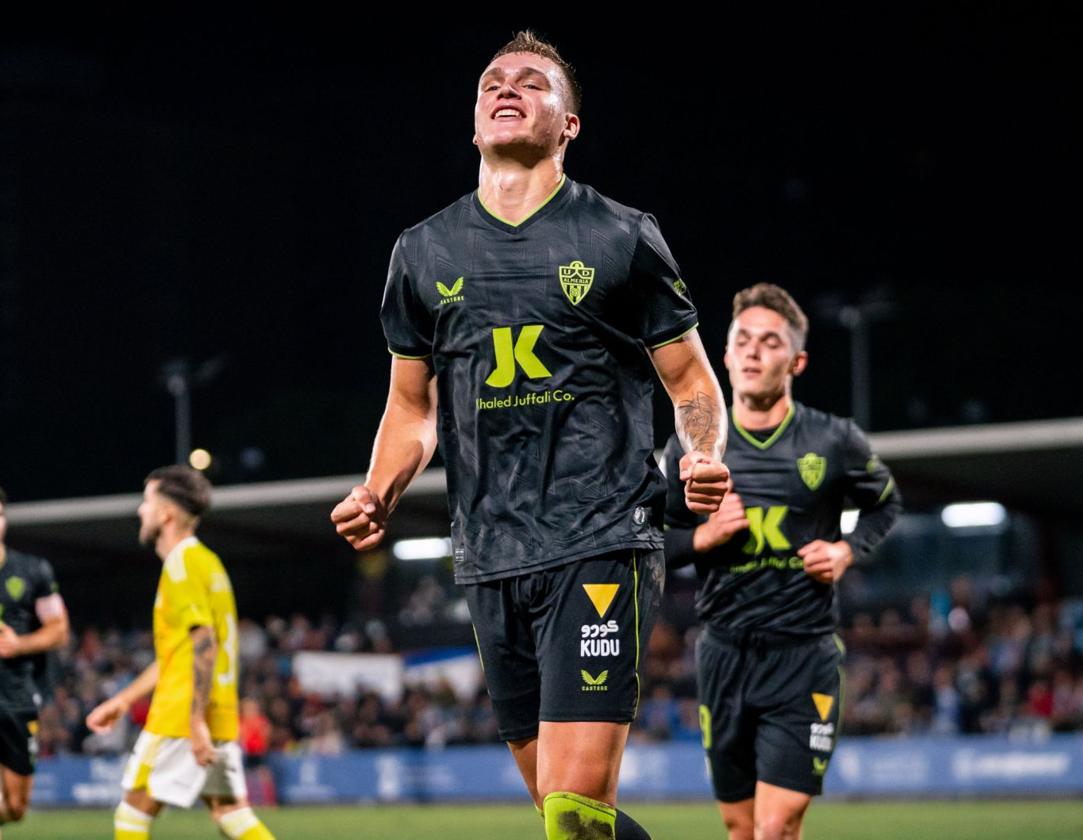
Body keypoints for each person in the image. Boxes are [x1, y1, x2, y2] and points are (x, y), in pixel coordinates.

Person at [331, 31, 730, 840]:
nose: (507, 88)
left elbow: (689, 380)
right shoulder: (422, 252)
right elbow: (411, 408)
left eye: (532, 82)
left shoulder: (620, 235)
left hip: (600, 536)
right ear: (474, 123)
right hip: (489, 553)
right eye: (492, 83)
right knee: (569, 816)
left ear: (569, 124)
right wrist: (378, 487)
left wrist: (705, 455)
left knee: (574, 815)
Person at [662, 284, 902, 840]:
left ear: (796, 361)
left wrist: (846, 550)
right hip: (723, 655)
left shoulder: (834, 439)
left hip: (803, 656)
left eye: (769, 343)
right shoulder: (693, 449)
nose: (751, 352)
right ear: (722, 355)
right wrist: (704, 538)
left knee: (776, 826)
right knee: (740, 829)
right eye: (741, 340)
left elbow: (885, 505)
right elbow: (655, 537)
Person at [86, 467, 275, 840]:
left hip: (181, 713)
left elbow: (204, 642)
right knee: (231, 813)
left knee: (132, 813)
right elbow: (182, 652)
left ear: (166, 514)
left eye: (147, 502)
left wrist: (194, 721)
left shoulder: (181, 564)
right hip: (219, 710)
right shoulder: (208, 562)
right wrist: (124, 700)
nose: (140, 511)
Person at [0, 485, 70, 837]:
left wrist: (18, 643)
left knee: (15, 808)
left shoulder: (31, 571)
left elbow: (59, 630)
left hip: (17, 698)